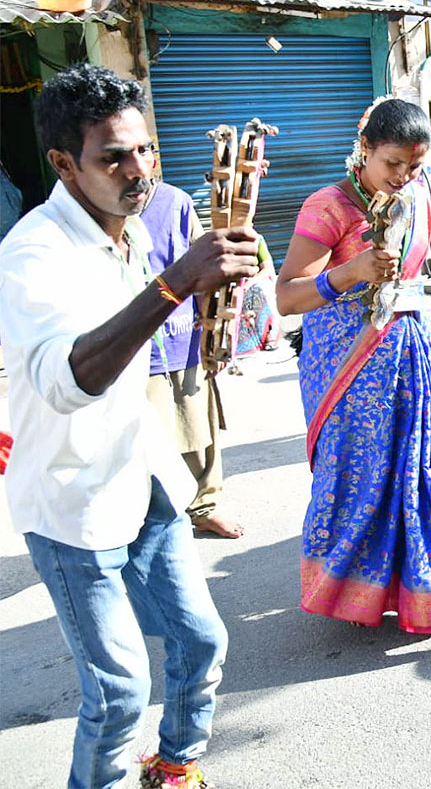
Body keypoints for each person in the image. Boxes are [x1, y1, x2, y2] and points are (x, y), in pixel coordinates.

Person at [0, 63, 260, 788]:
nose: (139, 170)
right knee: (118, 693)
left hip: (141, 475)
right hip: (72, 503)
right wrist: (174, 284)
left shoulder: (133, 231)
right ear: (64, 164)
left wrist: (217, 293)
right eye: (113, 156)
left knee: (201, 644)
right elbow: (68, 381)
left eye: (145, 149)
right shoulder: (32, 254)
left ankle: (173, 767)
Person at [276, 97, 431, 631]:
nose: (403, 176)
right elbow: (287, 297)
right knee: (364, 478)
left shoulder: (417, 195)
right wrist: (350, 271)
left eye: (415, 166)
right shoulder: (329, 206)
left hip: (412, 351)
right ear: (364, 149)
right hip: (348, 367)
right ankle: (355, 595)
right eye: (392, 163)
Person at [141, 180, 244, 540]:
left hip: (184, 335)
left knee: (200, 428)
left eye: (145, 153)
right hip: (134, 347)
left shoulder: (176, 202)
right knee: (151, 439)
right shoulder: (96, 209)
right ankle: (154, 516)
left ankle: (205, 507)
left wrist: (214, 336)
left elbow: (208, 271)